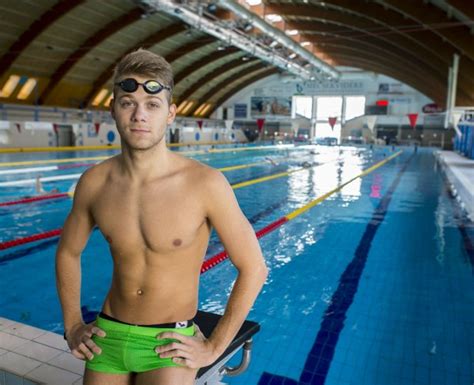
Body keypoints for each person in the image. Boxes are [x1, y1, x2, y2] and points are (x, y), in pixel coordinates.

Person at [55, 49, 268, 385]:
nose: (140, 115)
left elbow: (254, 267)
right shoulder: (95, 182)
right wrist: (71, 325)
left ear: (170, 113)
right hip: (107, 335)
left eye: (152, 105)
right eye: (128, 102)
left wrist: (213, 347)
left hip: (169, 343)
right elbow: (68, 252)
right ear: (113, 109)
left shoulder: (205, 184)